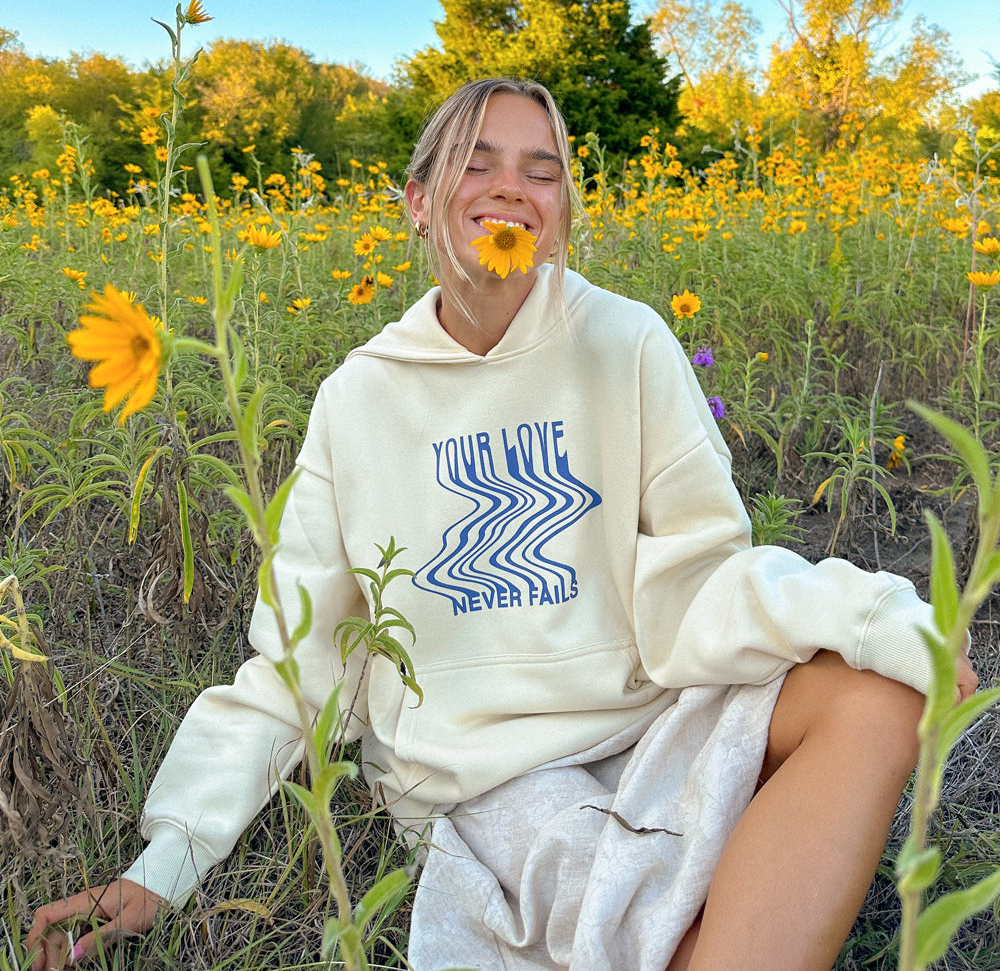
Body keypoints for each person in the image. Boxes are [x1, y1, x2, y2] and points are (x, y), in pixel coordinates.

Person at [28, 78, 977, 971]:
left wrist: (882, 621)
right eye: (476, 163)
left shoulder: (629, 342)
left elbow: (704, 571)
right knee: (671, 937)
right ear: (415, 201)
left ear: (564, 212)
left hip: (652, 709)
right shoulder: (356, 399)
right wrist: (168, 861)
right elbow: (293, 664)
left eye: (543, 169)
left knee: (880, 694)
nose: (511, 189)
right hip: (484, 775)